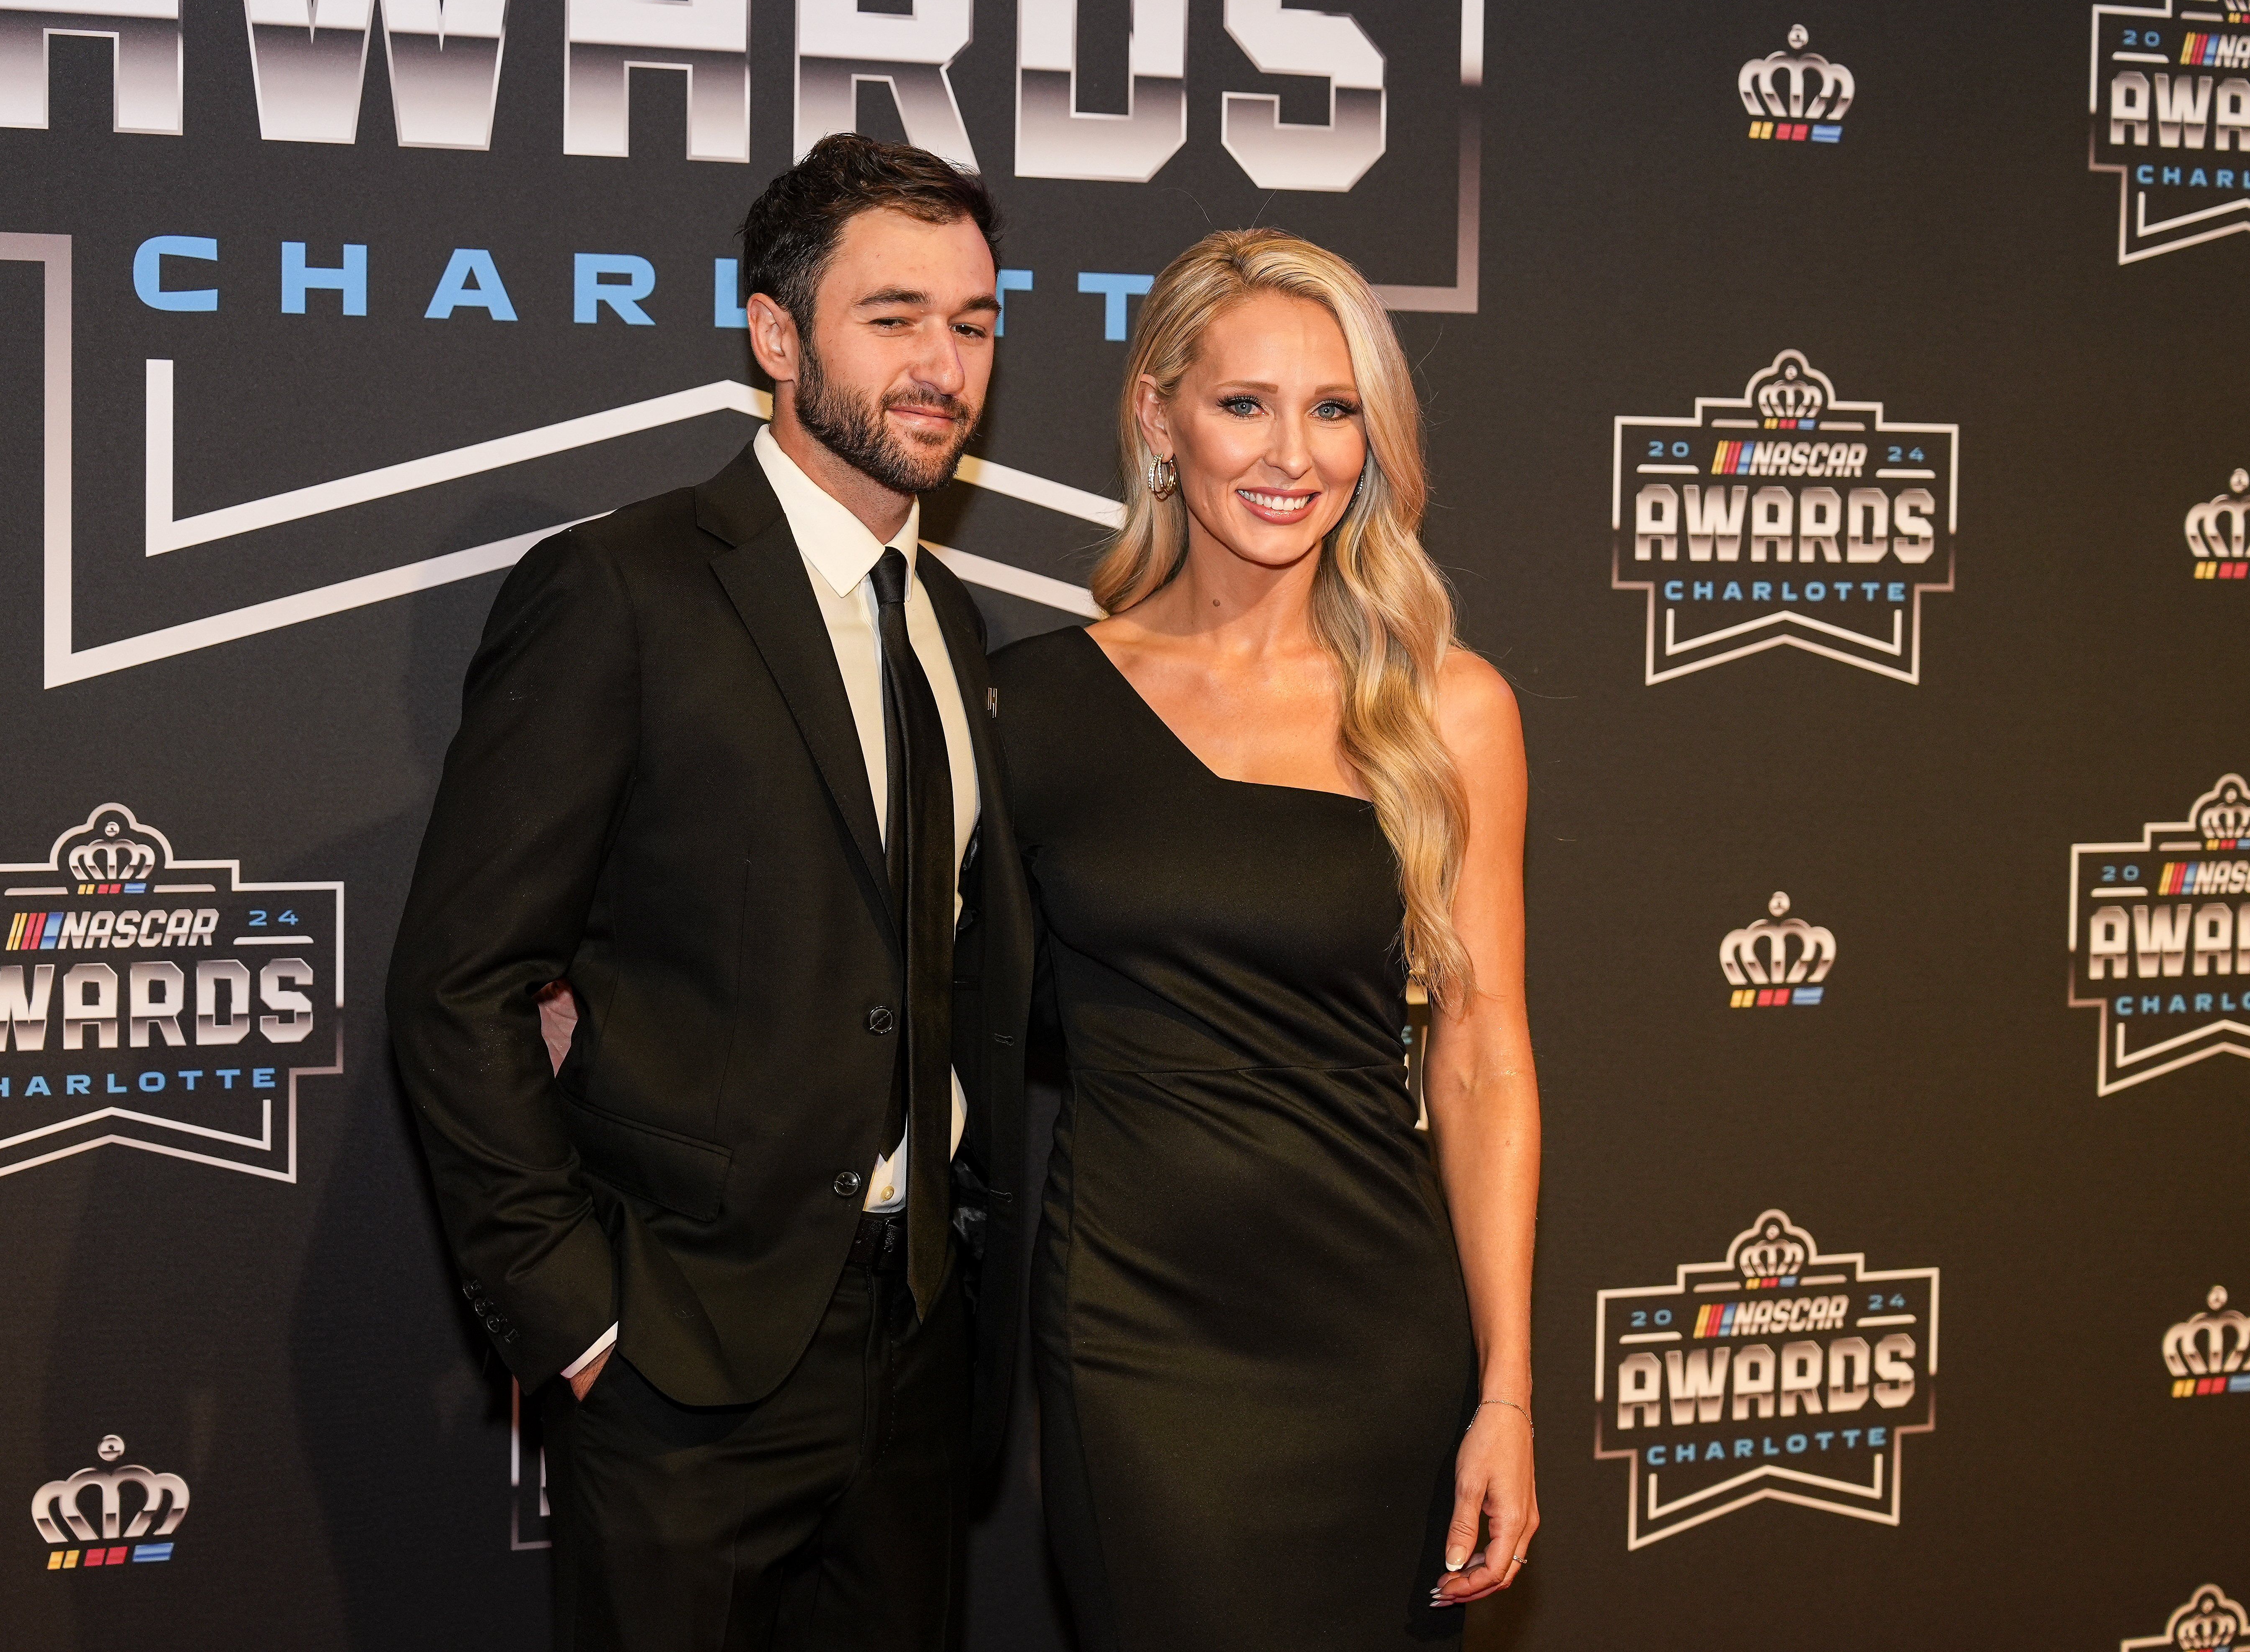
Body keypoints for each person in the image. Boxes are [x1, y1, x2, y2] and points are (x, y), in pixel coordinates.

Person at [385, 134, 1032, 1652]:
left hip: (921, 1346)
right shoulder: (623, 589)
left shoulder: (955, 621)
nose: (943, 363)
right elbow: (458, 980)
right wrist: (578, 1320)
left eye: (976, 322)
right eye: (895, 318)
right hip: (683, 1358)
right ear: (776, 334)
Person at [989, 229, 1541, 1649]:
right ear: (1158, 418)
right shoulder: (1030, 705)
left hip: (1378, 1343)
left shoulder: (1447, 706)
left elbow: (1482, 1065)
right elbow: (897, 986)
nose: (1293, 451)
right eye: (1245, 403)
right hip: (1138, 1340)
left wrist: (1507, 1394)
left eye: (1335, 406)